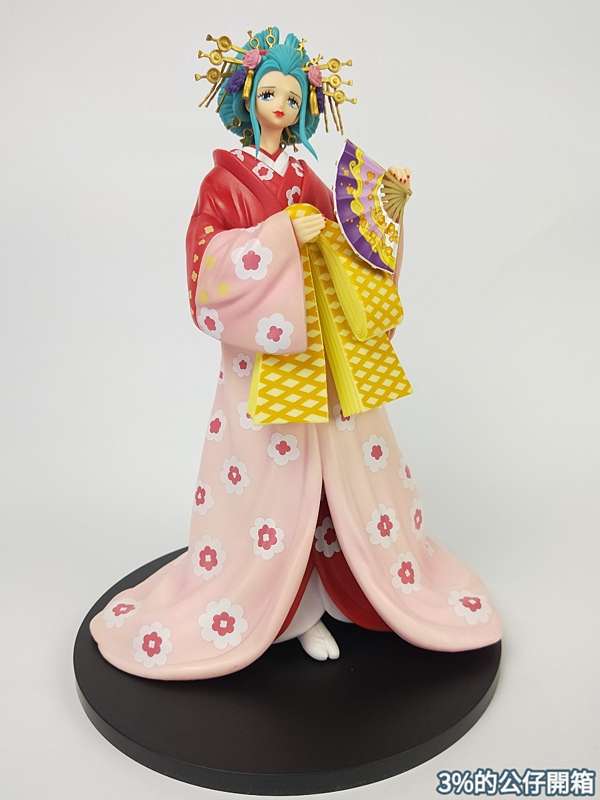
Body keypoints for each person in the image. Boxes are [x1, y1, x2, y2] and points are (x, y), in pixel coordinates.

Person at [89, 27, 502, 680]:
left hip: (321, 358)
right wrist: (279, 235)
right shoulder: (222, 182)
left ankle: (338, 591)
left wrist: (386, 207)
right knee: (269, 483)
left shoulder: (306, 175)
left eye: (291, 96)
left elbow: (351, 248)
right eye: (269, 92)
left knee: (337, 480)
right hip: (266, 364)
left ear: (304, 106)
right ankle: (284, 613)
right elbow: (207, 265)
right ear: (247, 97)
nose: (279, 105)